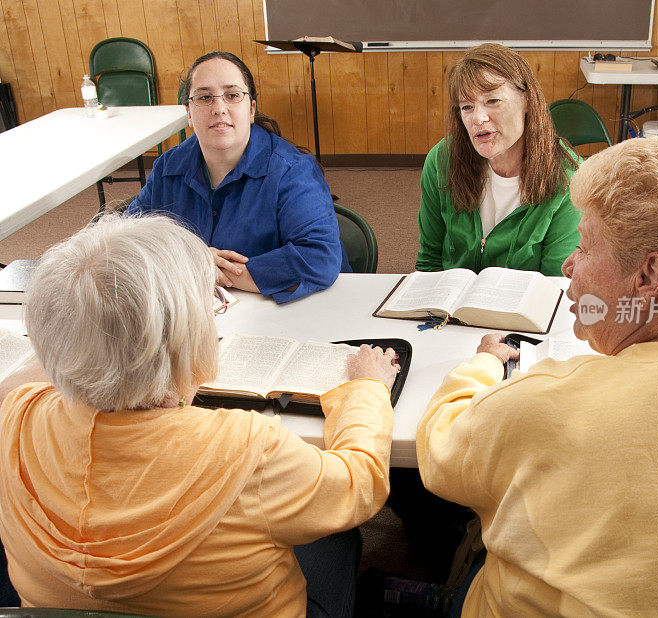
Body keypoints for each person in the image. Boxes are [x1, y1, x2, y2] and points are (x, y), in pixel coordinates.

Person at [417, 134, 658, 616]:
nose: (567, 264)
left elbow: (438, 454)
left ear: (647, 275)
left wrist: (483, 365)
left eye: (584, 245)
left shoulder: (542, 400)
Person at [0, 214, 398, 617]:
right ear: (183, 339)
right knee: (336, 537)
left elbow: (21, 383)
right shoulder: (250, 450)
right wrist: (367, 388)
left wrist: (79, 335)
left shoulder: (15, 420)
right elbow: (359, 483)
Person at [127, 51, 348, 304]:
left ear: (251, 108)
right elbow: (128, 237)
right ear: (189, 112)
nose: (219, 108)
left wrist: (208, 270)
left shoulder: (292, 169)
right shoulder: (168, 167)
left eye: (232, 96)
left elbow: (320, 257)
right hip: (199, 310)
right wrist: (192, 257)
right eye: (204, 98)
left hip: (289, 313)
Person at [416, 43, 581, 276]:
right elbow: (429, 261)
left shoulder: (567, 176)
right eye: (466, 107)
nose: (478, 118)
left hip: (523, 309)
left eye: (492, 101)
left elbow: (557, 283)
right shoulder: (442, 160)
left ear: (526, 99)